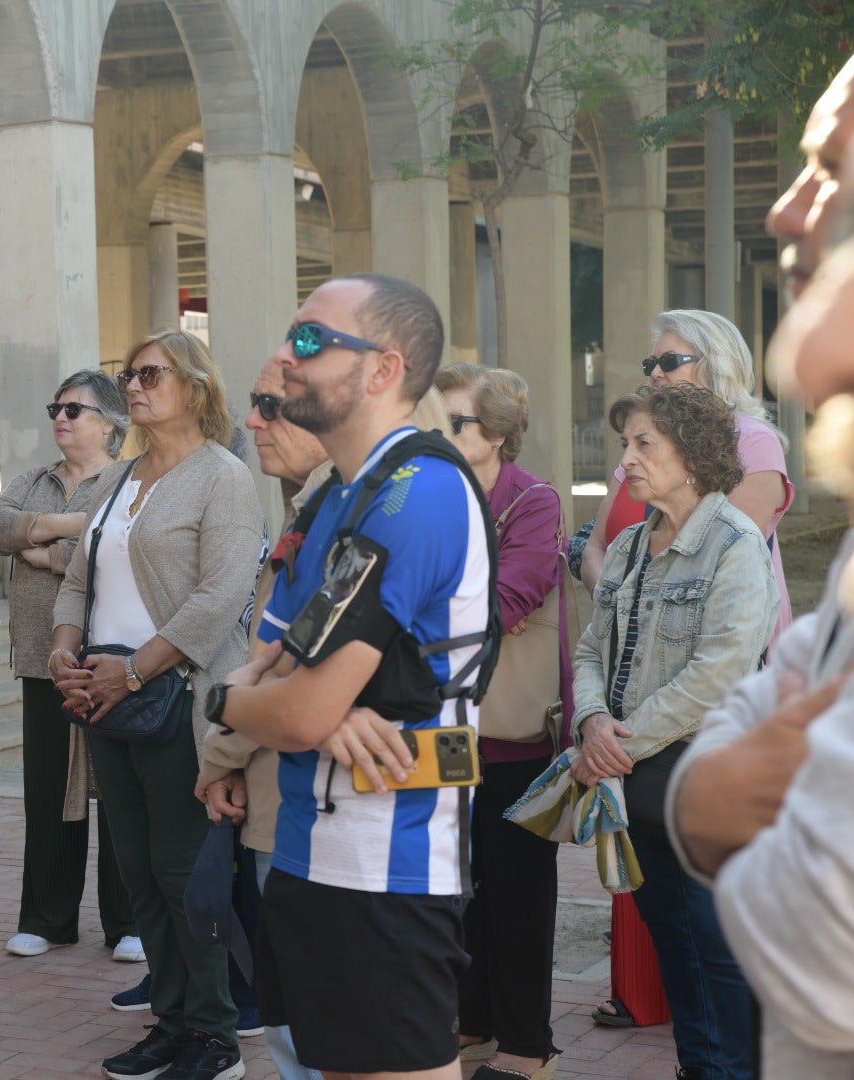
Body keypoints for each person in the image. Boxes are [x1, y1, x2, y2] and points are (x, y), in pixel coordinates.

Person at [210, 273, 489, 1080]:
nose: (283, 357)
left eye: (308, 339)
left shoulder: (418, 492)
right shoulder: (335, 496)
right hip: (311, 848)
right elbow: (281, 668)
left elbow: (281, 700)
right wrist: (285, 703)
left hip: (388, 861)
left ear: (383, 369)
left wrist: (229, 700)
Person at [669, 39, 854, 1079]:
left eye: (849, 189)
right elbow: (771, 695)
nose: (788, 213)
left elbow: (828, 951)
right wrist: (709, 790)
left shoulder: (754, 443)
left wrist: (715, 812)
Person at [530, 384, 776, 1080]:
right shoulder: (630, 545)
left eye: (644, 444)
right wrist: (590, 721)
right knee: (675, 942)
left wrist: (614, 745)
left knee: (720, 950)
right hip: (634, 784)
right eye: (625, 444)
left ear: (692, 455)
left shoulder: (735, 545)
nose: (626, 461)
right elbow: (590, 650)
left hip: (704, 784)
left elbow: (718, 674)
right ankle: (700, 1067)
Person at [49, 330, 263, 1080]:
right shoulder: (118, 478)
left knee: (183, 871)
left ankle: (215, 1035)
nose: (132, 388)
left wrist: (134, 671)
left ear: (195, 387)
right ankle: (171, 1022)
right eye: (127, 376)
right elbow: (78, 579)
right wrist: (63, 649)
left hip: (178, 697)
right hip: (105, 697)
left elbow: (221, 597)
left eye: (149, 374)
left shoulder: (223, 477)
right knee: (137, 869)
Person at [194, 356, 328, 1080]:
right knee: (294, 1010)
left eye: (272, 406)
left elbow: (280, 668)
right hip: (283, 783)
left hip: (315, 799)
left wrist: (220, 756)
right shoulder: (312, 508)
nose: (253, 421)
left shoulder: (336, 516)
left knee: (311, 1015)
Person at [435, 364, 570, 1080]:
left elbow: (507, 601)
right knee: (458, 880)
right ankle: (474, 1019)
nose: (439, 434)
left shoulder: (532, 501)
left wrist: (436, 605)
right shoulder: (431, 492)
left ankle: (526, 1042)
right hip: (444, 726)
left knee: (518, 891)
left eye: (454, 422)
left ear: (495, 433)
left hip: (512, 733)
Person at [0, 370, 140, 963]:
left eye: (75, 409)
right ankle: (47, 920)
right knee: (47, 793)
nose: (61, 418)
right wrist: (73, 526)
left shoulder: (131, 480)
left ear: (110, 424)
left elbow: (125, 546)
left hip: (111, 661)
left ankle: (130, 923)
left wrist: (44, 550)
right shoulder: (34, 479)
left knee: (120, 793)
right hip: (40, 660)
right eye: (57, 408)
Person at [581, 311, 793, 645]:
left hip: (721, 649)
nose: (655, 373)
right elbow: (595, 547)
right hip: (625, 647)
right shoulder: (641, 445)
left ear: (717, 364)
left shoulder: (754, 441)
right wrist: (613, 609)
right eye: (651, 363)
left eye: (669, 361)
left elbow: (716, 559)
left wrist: (631, 608)